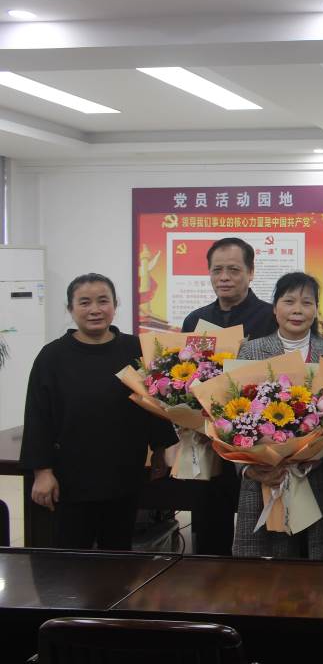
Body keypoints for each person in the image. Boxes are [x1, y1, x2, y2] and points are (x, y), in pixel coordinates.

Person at [21, 273, 177, 550]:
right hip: (71, 478)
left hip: (124, 474)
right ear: (70, 308)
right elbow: (38, 417)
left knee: (118, 556)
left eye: (103, 301)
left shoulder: (135, 349)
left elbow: (154, 404)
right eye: (84, 302)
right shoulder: (52, 357)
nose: (95, 309)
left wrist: (161, 449)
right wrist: (42, 471)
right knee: (70, 559)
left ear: (115, 304)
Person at [232, 272, 323, 560]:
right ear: (274, 308)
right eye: (289, 301)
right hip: (264, 478)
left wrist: (318, 454)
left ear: (316, 310)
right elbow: (232, 418)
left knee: (315, 567)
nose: (298, 310)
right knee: (266, 572)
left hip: (316, 476)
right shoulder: (251, 350)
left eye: (307, 302)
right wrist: (248, 468)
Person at [181, 237, 277, 556]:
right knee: (209, 525)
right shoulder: (195, 321)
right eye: (217, 270)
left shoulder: (270, 317)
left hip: (258, 441)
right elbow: (187, 376)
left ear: (251, 273)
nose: (224, 277)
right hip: (209, 438)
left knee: (258, 525)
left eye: (234, 270)